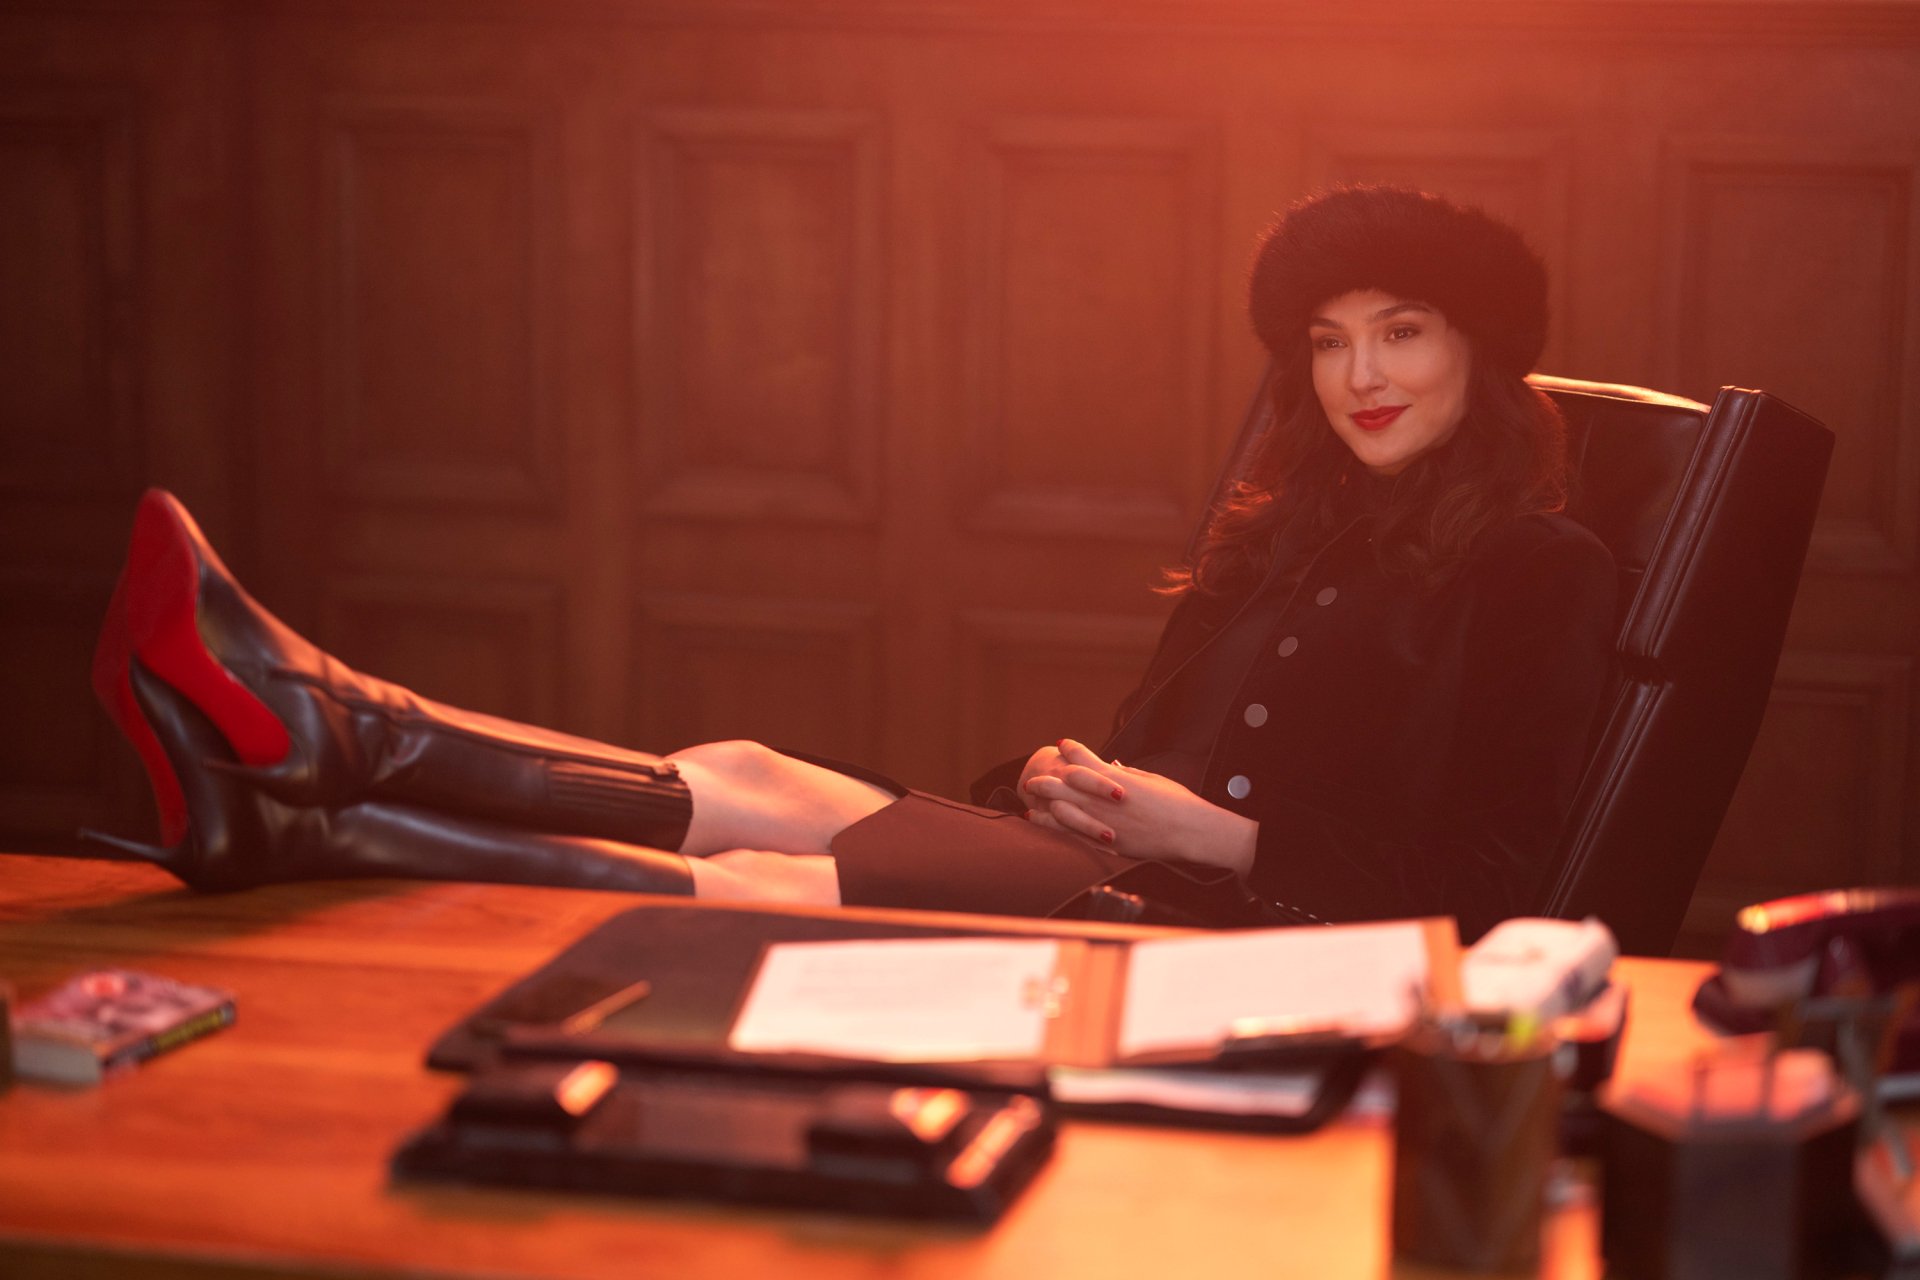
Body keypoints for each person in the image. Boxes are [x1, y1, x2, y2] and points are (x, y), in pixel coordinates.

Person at [85, 185, 1615, 940]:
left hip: (1251, 962)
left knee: (757, 870)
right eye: (1333, 342)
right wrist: (1054, 777)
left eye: (1402, 332)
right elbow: (1153, 757)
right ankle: (324, 757)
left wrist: (1213, 842)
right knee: (739, 762)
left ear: (1482, 350)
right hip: (1117, 881)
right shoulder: (1282, 533)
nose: (1364, 376)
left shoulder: (1535, 571)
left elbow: (1494, 892)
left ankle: (320, 795)